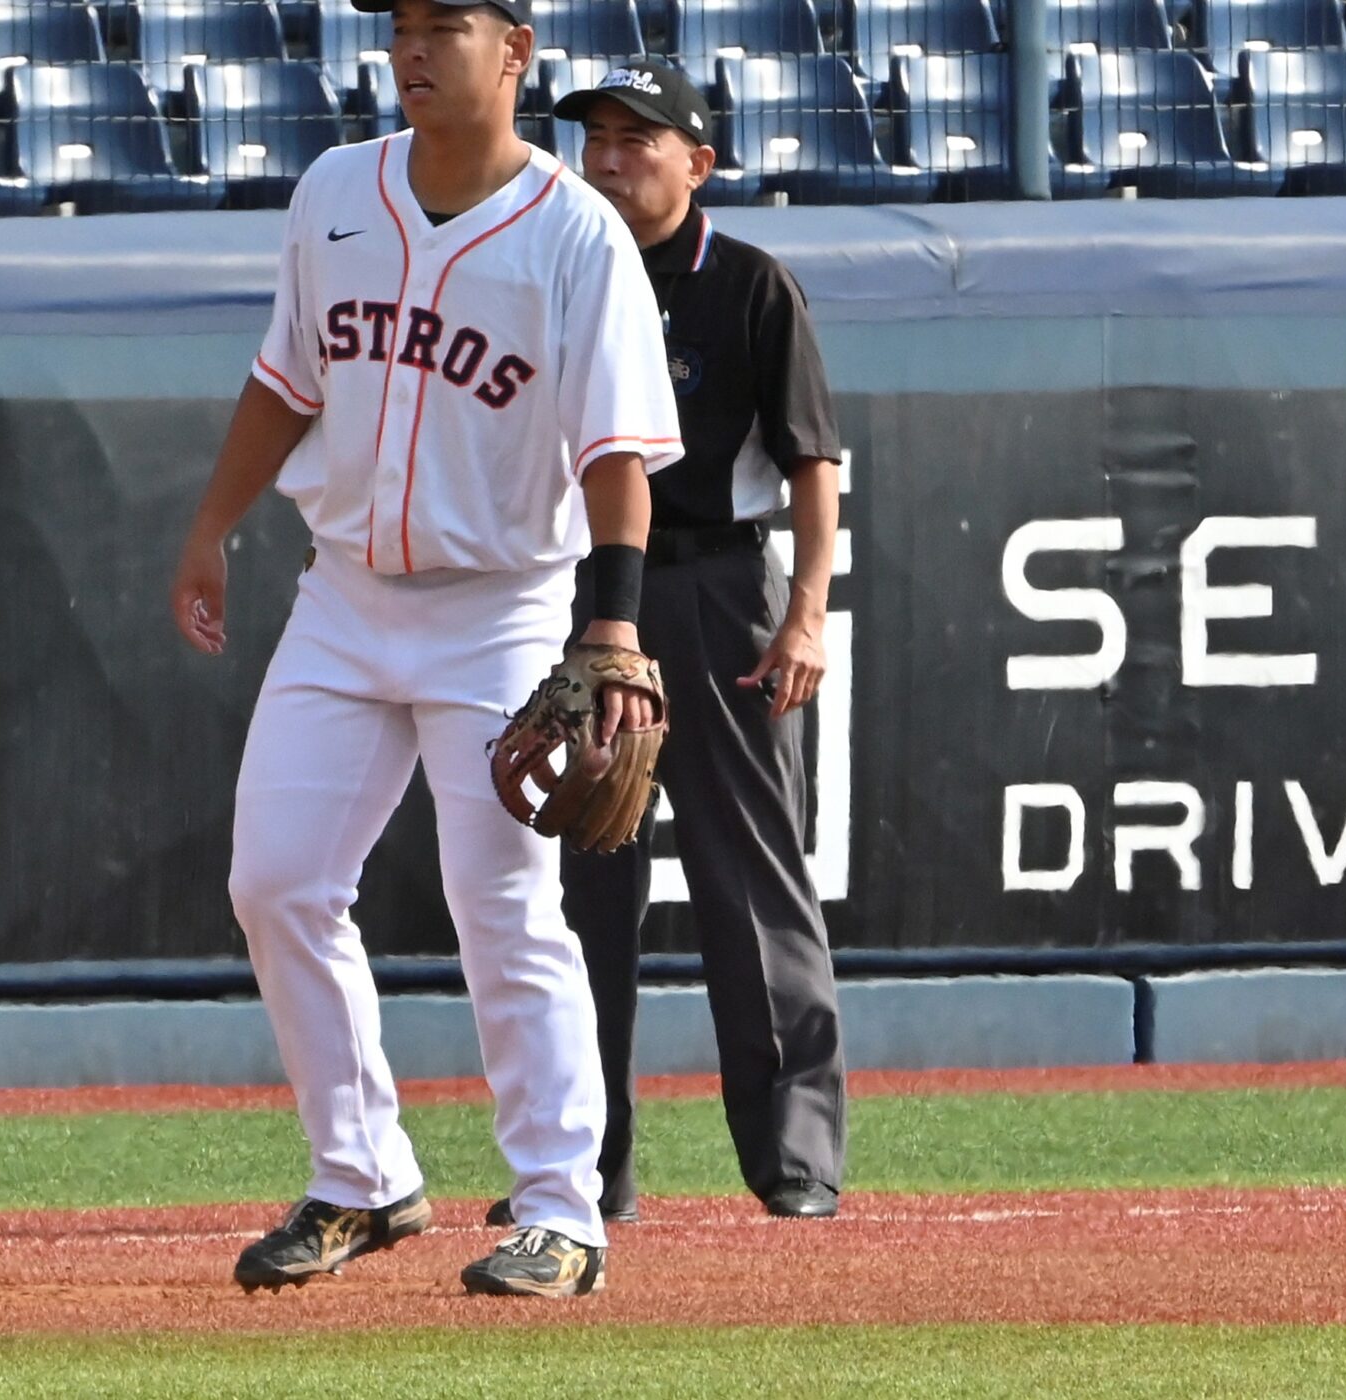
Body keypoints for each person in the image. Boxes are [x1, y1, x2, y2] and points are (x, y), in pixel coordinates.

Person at [168, 0, 682, 1299]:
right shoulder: (336, 191)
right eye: (400, 24)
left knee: (502, 904)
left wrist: (612, 622)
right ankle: (360, 1176)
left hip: (501, 604)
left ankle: (562, 1210)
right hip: (342, 595)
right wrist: (213, 525)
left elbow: (616, 454)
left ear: (514, 51)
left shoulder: (575, 235)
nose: (411, 48)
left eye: (444, 22)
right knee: (276, 881)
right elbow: (288, 381)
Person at [496, 59, 849, 1225]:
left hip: (716, 587)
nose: (604, 160)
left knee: (746, 872)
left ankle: (794, 1157)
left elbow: (810, 460)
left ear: (697, 163)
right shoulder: (551, 272)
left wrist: (805, 613)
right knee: (582, 881)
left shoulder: (747, 282)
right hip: (587, 589)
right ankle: (584, 1164)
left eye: (633, 141)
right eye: (592, 139)